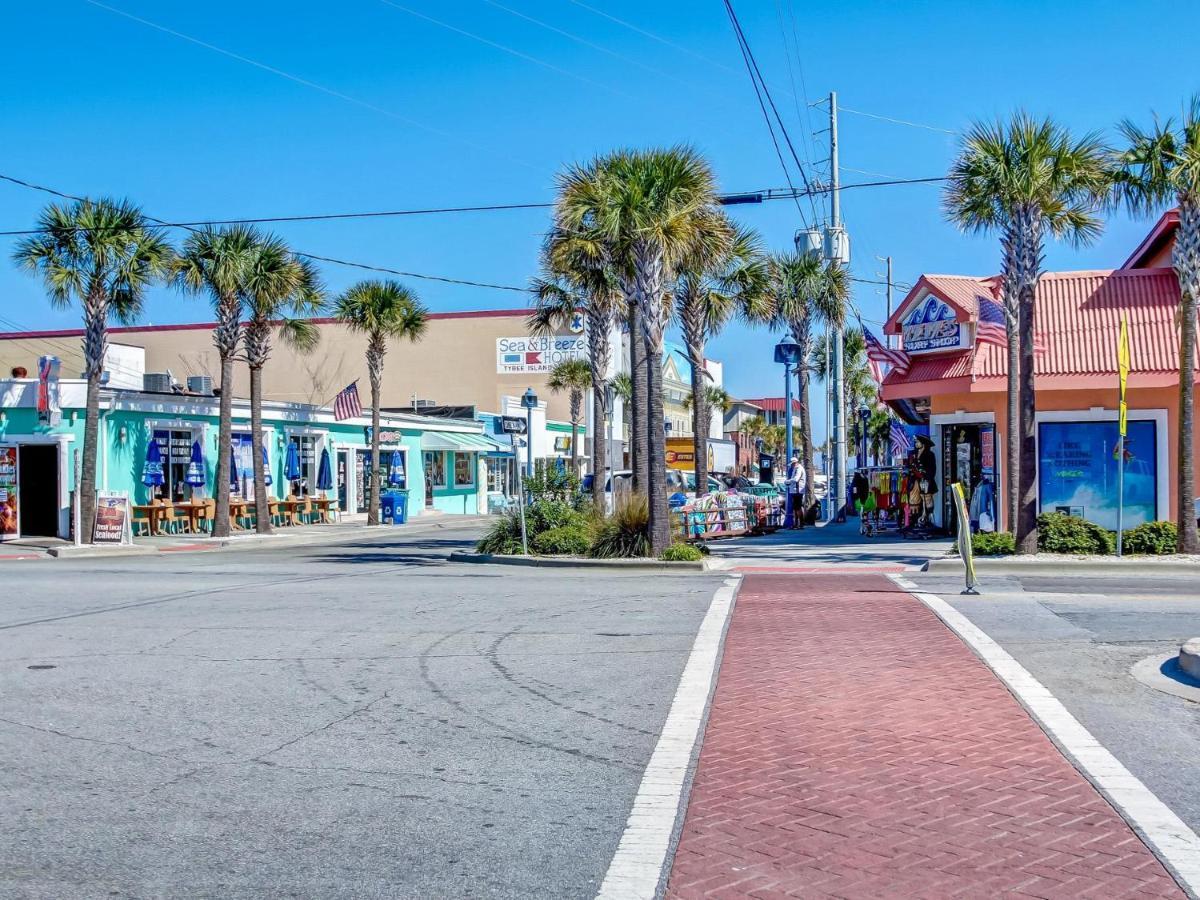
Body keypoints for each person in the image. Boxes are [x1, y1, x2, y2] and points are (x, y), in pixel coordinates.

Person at [786, 455, 806, 529]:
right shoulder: (796, 469)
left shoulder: (799, 469)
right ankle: (796, 524)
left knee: (798, 507)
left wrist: (787, 481)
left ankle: (800, 524)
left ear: (794, 463)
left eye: (791, 464)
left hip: (797, 490)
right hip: (795, 491)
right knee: (796, 507)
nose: (791, 466)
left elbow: (796, 479)